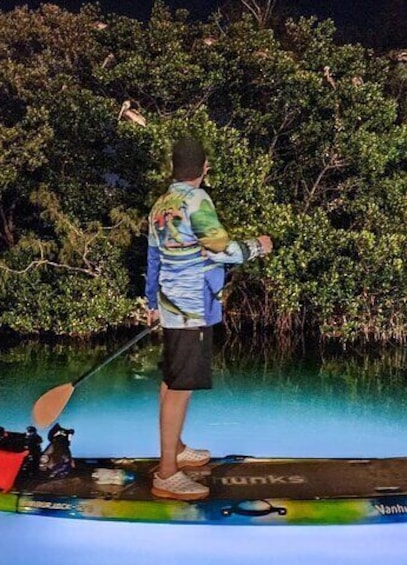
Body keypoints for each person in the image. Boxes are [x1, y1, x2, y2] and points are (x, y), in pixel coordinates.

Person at [145, 136, 273, 500]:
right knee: (180, 387)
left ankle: (177, 449)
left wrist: (151, 301)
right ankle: (167, 473)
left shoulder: (159, 205)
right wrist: (258, 246)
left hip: (171, 304)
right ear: (204, 168)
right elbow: (223, 251)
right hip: (191, 308)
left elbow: (154, 258)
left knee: (172, 381)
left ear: (173, 168)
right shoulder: (197, 200)